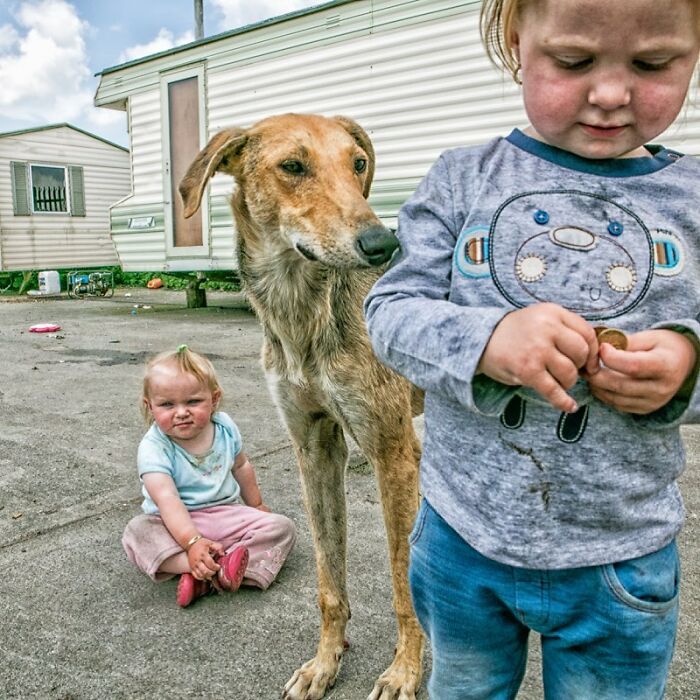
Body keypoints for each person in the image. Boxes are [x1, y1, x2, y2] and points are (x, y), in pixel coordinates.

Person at [364, 0, 700, 697]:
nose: (610, 94)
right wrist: (483, 339)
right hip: (461, 540)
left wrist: (688, 367)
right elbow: (390, 313)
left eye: (652, 63)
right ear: (517, 42)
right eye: (574, 61)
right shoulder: (462, 178)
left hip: (622, 556)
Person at [122, 345, 296, 608]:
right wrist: (191, 543)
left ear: (214, 400)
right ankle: (192, 566)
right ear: (150, 406)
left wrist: (257, 505)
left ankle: (216, 571)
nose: (181, 412)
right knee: (137, 532)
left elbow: (241, 466)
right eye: (167, 405)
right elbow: (167, 499)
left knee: (281, 527)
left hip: (225, 514)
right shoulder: (154, 447)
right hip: (172, 523)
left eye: (193, 402)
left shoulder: (225, 427)